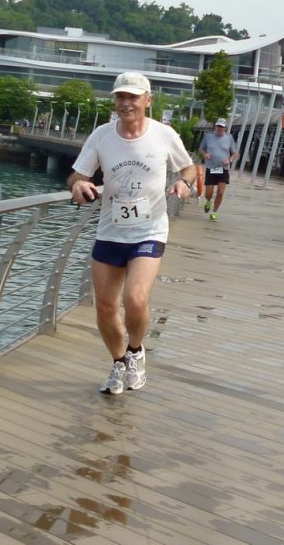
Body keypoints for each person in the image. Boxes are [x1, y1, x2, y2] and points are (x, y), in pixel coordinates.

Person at [67, 72, 197, 395]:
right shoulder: (101, 136)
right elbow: (77, 175)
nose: (126, 103)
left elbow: (189, 167)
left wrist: (184, 182)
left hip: (149, 230)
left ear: (147, 101)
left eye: (133, 97)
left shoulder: (164, 135)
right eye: (121, 97)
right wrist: (79, 185)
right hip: (110, 231)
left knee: (135, 299)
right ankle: (118, 362)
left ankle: (136, 352)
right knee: (105, 307)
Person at [198, 118, 239, 222]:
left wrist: (229, 160)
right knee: (209, 193)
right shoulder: (209, 136)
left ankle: (214, 212)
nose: (219, 128)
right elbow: (201, 149)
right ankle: (208, 201)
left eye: (222, 127)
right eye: (218, 126)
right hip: (211, 167)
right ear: (215, 126)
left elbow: (235, 153)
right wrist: (205, 155)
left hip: (223, 168)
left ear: (225, 128)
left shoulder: (229, 138)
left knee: (220, 192)